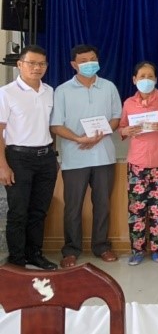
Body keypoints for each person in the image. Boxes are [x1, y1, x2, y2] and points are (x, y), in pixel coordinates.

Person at [50, 44, 121, 268]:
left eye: (93, 59)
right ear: (74, 64)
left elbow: (116, 118)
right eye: (83, 61)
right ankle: (71, 250)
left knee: (102, 205)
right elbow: (56, 125)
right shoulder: (62, 90)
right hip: (75, 158)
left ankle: (102, 246)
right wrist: (79, 139)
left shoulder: (109, 87)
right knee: (73, 207)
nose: (89, 64)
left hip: (104, 156)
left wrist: (100, 136)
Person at [0, 45, 59, 270]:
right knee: (18, 211)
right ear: (20, 64)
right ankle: (17, 261)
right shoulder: (6, 93)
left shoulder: (49, 91)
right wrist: (2, 165)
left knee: (39, 211)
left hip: (45, 158)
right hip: (18, 158)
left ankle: (34, 254)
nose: (37, 68)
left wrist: (53, 156)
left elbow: (50, 127)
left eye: (41, 64)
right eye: (31, 63)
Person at [119, 61, 158, 266]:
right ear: (134, 79)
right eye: (142, 76)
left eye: (150, 76)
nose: (146, 80)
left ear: (156, 79)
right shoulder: (128, 103)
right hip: (137, 163)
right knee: (136, 208)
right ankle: (137, 250)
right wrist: (126, 130)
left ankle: (157, 249)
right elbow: (122, 128)